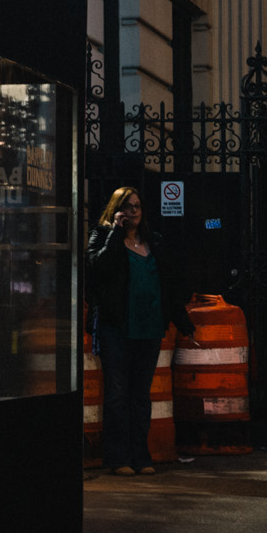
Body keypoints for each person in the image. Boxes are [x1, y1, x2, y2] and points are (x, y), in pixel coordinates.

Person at [86, 185, 193, 475]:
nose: (133, 211)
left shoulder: (152, 242)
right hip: (116, 329)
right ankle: (117, 458)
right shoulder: (102, 235)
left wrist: (183, 324)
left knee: (140, 396)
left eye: (137, 206)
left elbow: (167, 286)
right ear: (115, 209)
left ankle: (141, 456)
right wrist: (115, 233)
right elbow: (98, 270)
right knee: (118, 394)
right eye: (127, 206)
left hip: (148, 329)